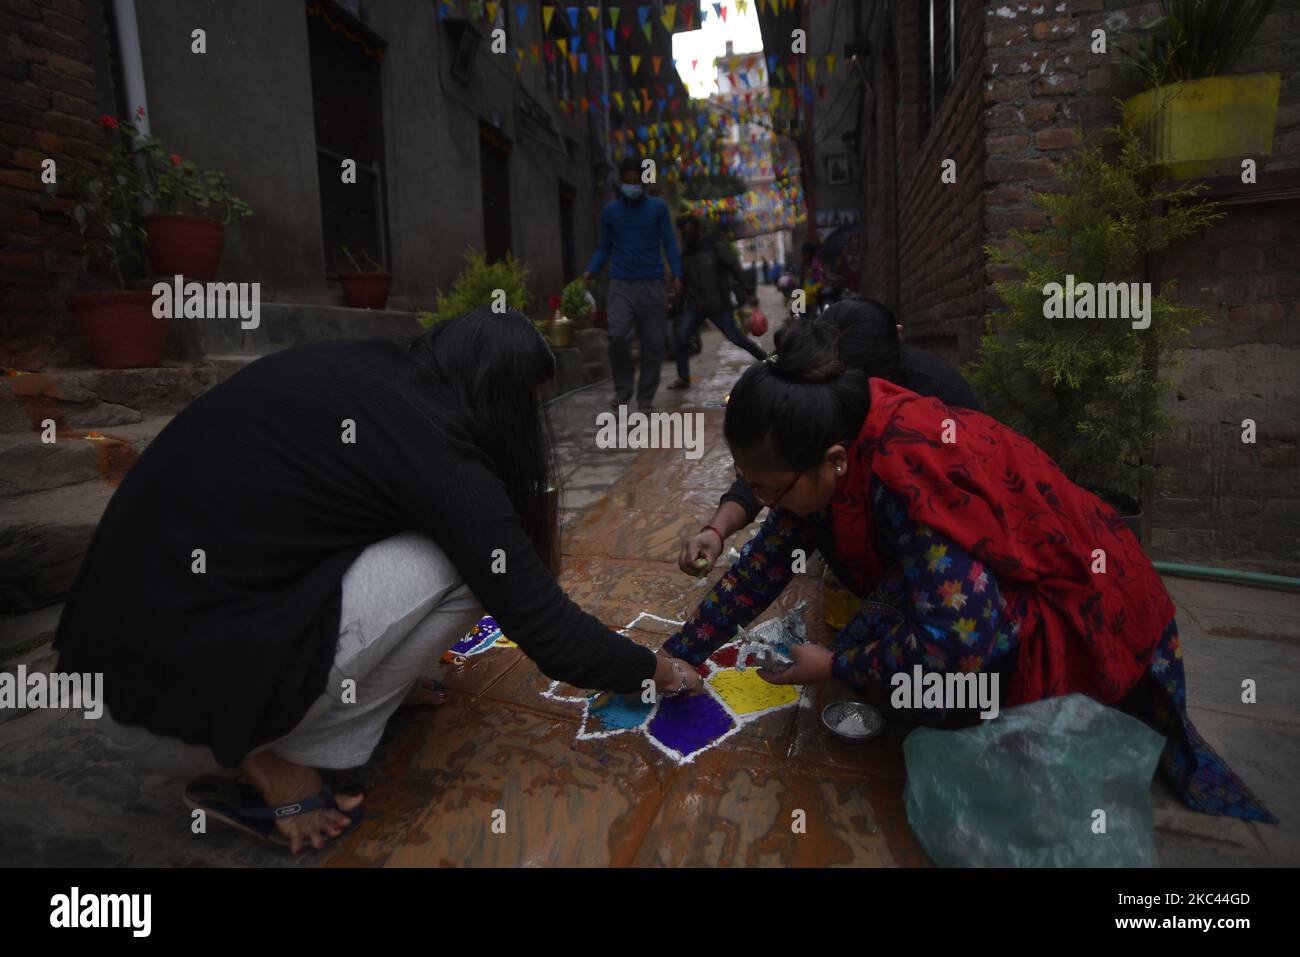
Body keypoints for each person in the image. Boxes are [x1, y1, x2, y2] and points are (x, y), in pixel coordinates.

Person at [53, 308, 703, 854]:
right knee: (470, 565)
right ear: (501, 398)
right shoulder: (443, 458)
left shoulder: (379, 375)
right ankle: (272, 758)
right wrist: (658, 670)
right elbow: (551, 632)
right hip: (170, 700)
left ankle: (309, 702)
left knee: (439, 539)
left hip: (117, 654)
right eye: (527, 409)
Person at [660, 321, 1273, 823]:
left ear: (834, 462)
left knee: (953, 721)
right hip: (1001, 594)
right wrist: (675, 655)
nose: (763, 505)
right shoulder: (833, 435)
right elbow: (764, 563)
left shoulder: (912, 476)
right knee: (886, 622)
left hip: (1093, 611)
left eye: (771, 490)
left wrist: (838, 667)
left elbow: (963, 643)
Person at [679, 298, 982, 581]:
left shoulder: (935, 415)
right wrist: (717, 530)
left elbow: (950, 593)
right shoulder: (817, 409)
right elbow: (774, 462)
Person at [582, 155, 683, 411]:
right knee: (616, 336)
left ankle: (646, 398)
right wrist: (590, 271)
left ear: (643, 181)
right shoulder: (611, 212)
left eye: (635, 181)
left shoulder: (657, 208)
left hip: (652, 283)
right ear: (620, 182)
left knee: (653, 343)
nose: (631, 185)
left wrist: (678, 274)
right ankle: (623, 389)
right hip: (621, 284)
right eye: (626, 181)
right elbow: (603, 248)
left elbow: (669, 243)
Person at [667, 214, 767, 391]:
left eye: (689, 228)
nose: (686, 233)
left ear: (696, 228)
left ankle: (768, 360)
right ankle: (683, 378)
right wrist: (676, 306)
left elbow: (735, 269)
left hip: (718, 305)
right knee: (681, 337)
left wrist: (748, 292)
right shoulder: (685, 255)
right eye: (683, 230)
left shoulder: (715, 247)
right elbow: (684, 283)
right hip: (695, 306)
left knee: (737, 338)